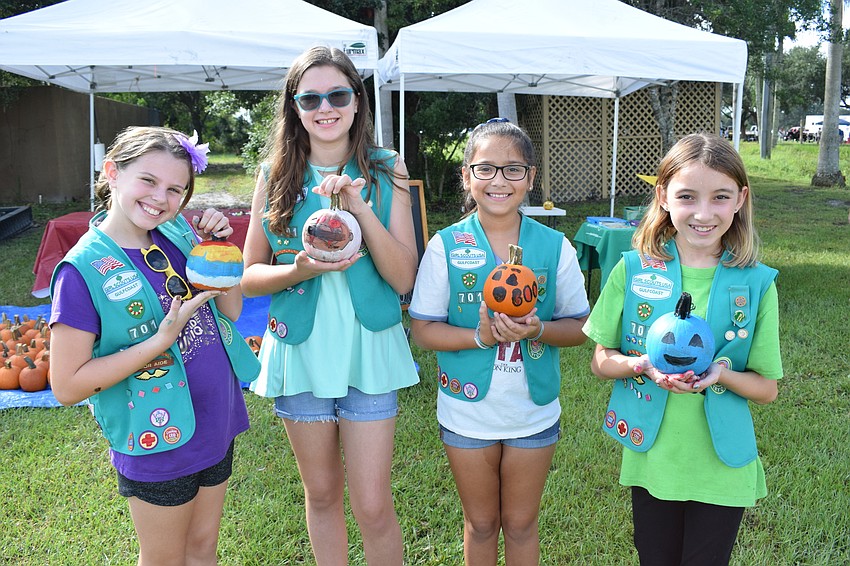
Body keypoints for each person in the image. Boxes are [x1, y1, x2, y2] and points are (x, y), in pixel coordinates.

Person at [240, 46, 419, 565]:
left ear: (357, 102)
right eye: (310, 97)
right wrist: (299, 269)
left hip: (368, 347)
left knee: (372, 503)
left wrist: (359, 207)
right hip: (301, 348)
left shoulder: (387, 168)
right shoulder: (276, 172)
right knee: (320, 496)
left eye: (338, 94)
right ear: (294, 107)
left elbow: (403, 275)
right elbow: (250, 278)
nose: (326, 107)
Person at [49, 126, 260, 565]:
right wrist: (161, 340)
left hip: (216, 419)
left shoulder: (178, 233)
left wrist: (218, 247)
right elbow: (67, 386)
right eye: (148, 180)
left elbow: (234, 310)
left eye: (175, 189)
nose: (161, 198)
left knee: (203, 549)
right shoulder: (82, 270)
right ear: (112, 172)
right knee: (165, 558)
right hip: (157, 438)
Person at [582, 133, 782, 565]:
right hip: (655, 458)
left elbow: (767, 388)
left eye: (720, 197)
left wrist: (721, 374)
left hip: (721, 465)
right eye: (688, 196)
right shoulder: (634, 268)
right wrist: (643, 365)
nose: (703, 213)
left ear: (740, 199)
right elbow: (601, 360)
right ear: (664, 196)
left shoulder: (756, 283)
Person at [408, 118, 591, 565]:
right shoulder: (446, 246)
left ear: (530, 178)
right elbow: (423, 329)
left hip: (533, 412)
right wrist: (479, 335)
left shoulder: (554, 247)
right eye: (485, 168)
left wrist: (539, 329)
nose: (499, 181)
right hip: (466, 410)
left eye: (513, 169)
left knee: (523, 524)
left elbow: (582, 326)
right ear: (467, 176)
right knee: (482, 523)